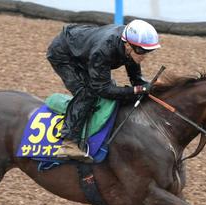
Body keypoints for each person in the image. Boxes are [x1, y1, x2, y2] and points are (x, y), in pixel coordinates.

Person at [46, 19, 161, 160]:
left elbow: (136, 78)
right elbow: (103, 89)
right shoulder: (104, 50)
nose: (143, 55)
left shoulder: (130, 47)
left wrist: (149, 87)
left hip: (83, 49)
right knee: (87, 93)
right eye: (141, 50)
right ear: (127, 44)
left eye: (148, 51)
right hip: (64, 55)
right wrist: (137, 90)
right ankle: (68, 144)